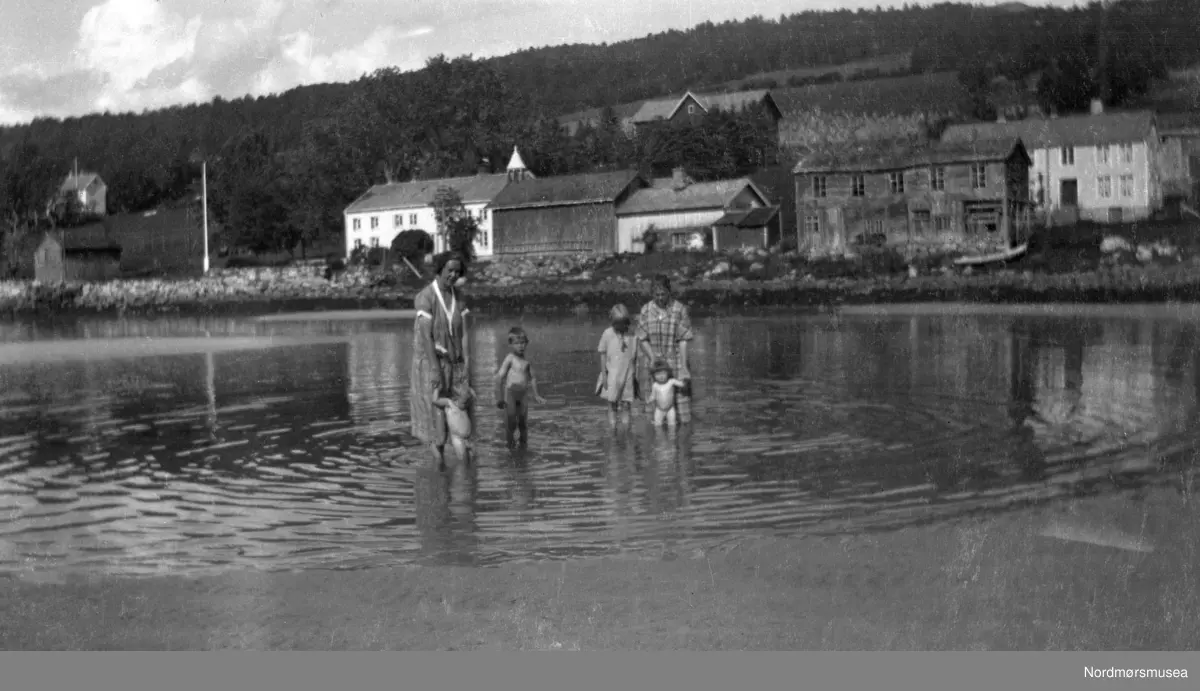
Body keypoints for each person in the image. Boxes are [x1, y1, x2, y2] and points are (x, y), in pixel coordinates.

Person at [409, 251, 473, 472]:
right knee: (437, 426)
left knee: (460, 416)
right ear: (440, 269)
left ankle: (462, 473)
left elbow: (464, 335)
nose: (454, 275)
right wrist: (435, 370)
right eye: (450, 270)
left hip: (455, 365)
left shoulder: (460, 297)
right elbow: (426, 337)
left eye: (458, 271)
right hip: (431, 365)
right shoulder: (426, 297)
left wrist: (465, 366)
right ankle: (440, 469)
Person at [636, 274, 695, 424]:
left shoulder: (679, 309)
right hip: (654, 364)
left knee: (682, 412)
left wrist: (683, 367)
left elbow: (683, 340)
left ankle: (681, 441)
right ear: (652, 294)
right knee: (655, 413)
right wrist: (652, 357)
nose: (660, 298)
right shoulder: (646, 310)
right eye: (657, 295)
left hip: (675, 360)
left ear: (669, 292)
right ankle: (659, 443)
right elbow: (642, 338)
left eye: (663, 294)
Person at [494, 326, 547, 447]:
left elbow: (532, 377)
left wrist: (536, 395)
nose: (520, 346)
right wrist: (500, 398)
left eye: (523, 343)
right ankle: (510, 446)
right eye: (517, 343)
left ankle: (523, 447)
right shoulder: (510, 358)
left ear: (526, 344)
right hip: (511, 393)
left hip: (523, 394)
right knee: (511, 422)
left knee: (523, 423)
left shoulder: (526, 361)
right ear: (511, 344)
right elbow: (499, 378)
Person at [596, 303, 639, 427]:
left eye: (623, 322)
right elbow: (602, 354)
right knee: (612, 403)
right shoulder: (607, 334)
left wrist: (636, 374)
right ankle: (613, 427)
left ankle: (626, 428)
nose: (620, 326)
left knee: (626, 403)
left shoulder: (631, 334)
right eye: (617, 323)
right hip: (612, 374)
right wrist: (604, 374)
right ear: (612, 321)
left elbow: (635, 356)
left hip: (628, 373)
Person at [432, 381, 475, 470]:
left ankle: (468, 476)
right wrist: (436, 389)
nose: (465, 405)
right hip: (458, 439)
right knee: (463, 462)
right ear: (456, 398)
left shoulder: (465, 403)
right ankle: (461, 478)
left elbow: (474, 397)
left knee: (472, 460)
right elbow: (435, 401)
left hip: (468, 438)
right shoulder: (449, 403)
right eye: (463, 402)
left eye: (466, 402)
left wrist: (469, 390)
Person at [648, 358, 687, 427]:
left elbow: (681, 384)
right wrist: (649, 399)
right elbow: (653, 396)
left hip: (670, 409)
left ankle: (672, 436)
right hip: (659, 409)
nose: (661, 376)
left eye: (663, 373)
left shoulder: (671, 382)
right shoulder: (655, 385)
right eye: (658, 374)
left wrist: (685, 381)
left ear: (668, 372)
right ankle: (659, 436)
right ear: (653, 375)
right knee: (657, 425)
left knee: (672, 425)